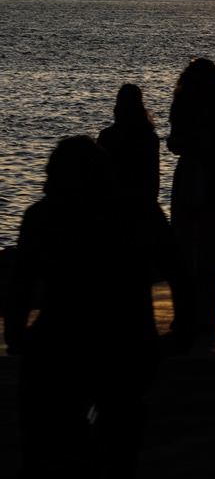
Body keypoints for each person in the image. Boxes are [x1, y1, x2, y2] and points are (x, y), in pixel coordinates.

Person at [5, 136, 175, 477]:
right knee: (123, 427)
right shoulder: (140, 210)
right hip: (127, 339)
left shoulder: (42, 215)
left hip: (60, 341)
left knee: (37, 433)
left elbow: (20, 283)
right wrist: (182, 327)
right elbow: (179, 271)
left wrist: (15, 334)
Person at [167, 58, 215, 339]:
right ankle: (193, 313)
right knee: (189, 250)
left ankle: (203, 314)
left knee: (203, 251)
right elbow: (175, 141)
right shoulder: (192, 105)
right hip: (195, 177)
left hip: (207, 178)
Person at [98, 83, 160, 203]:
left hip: (114, 202)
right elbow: (153, 181)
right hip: (139, 202)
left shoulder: (107, 136)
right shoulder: (149, 138)